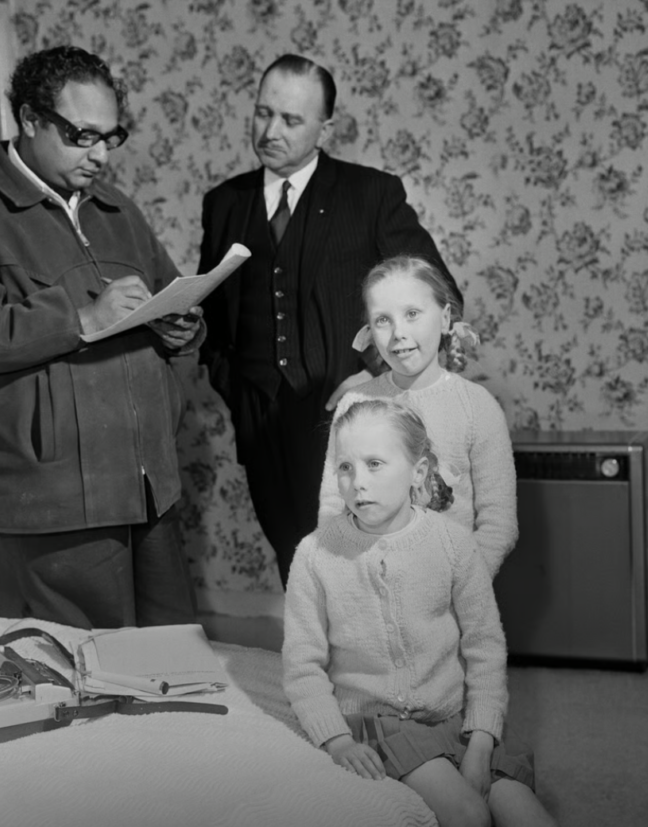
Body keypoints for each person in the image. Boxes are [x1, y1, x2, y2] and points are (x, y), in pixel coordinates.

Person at [0, 46, 203, 630]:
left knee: (173, 652)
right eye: (82, 135)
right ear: (30, 119)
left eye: (110, 137)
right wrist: (82, 318)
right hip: (54, 496)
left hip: (148, 482)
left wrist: (181, 326)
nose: (100, 155)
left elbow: (169, 292)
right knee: (83, 661)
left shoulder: (117, 209)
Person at [198, 53, 462, 586]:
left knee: (364, 577)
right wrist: (236, 388)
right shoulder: (224, 203)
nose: (271, 131)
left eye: (291, 119)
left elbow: (440, 298)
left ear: (325, 128)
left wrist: (379, 378)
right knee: (296, 567)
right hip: (261, 425)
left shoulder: (370, 194)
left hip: (351, 424)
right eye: (263, 113)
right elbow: (213, 314)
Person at [283, 400, 556, 827]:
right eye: (345, 467)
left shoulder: (453, 544)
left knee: (528, 817)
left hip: (457, 718)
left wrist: (481, 741)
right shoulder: (314, 555)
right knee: (470, 815)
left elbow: (485, 647)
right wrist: (336, 740)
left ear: (418, 471)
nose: (358, 482)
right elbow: (302, 667)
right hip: (381, 723)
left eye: (375, 464)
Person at [318, 255, 516, 578]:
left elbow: (499, 525)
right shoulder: (354, 404)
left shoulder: (478, 407)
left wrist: (461, 586)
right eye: (383, 320)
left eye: (412, 314)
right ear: (369, 331)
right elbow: (332, 507)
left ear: (445, 318)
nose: (398, 332)